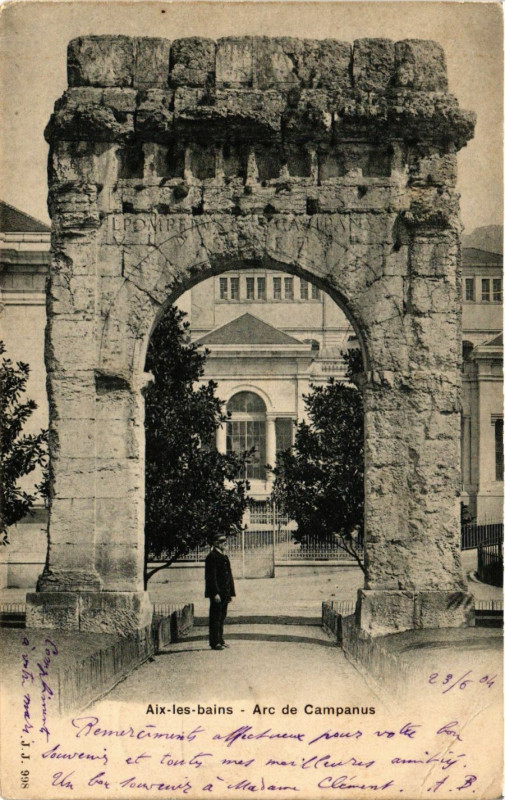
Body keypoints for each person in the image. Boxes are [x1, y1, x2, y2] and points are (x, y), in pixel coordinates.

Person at [205, 532, 235, 651]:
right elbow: (211, 577)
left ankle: (220, 640)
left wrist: (230, 593)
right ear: (216, 543)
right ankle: (214, 642)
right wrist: (214, 593)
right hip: (217, 593)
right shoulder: (212, 557)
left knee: (222, 617)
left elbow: (229, 576)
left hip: (225, 592)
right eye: (223, 542)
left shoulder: (224, 556)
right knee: (215, 618)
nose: (225, 544)